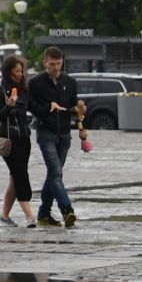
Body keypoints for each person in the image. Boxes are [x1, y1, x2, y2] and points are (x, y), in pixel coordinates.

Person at [27, 45, 84, 227]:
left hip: (65, 134)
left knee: (53, 174)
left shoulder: (70, 82)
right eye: (52, 64)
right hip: (46, 132)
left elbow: (73, 106)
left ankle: (44, 214)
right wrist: (47, 108)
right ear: (45, 62)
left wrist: (78, 110)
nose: (56, 68)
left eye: (59, 63)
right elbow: (32, 108)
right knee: (56, 172)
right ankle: (67, 210)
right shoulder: (35, 83)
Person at [0, 54, 35, 226]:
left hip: (24, 139)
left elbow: (32, 109)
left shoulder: (24, 90)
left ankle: (4, 215)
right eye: (17, 71)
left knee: (15, 177)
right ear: (8, 72)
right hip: (9, 141)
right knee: (20, 176)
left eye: (21, 71)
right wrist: (8, 106)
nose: (20, 74)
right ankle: (30, 216)